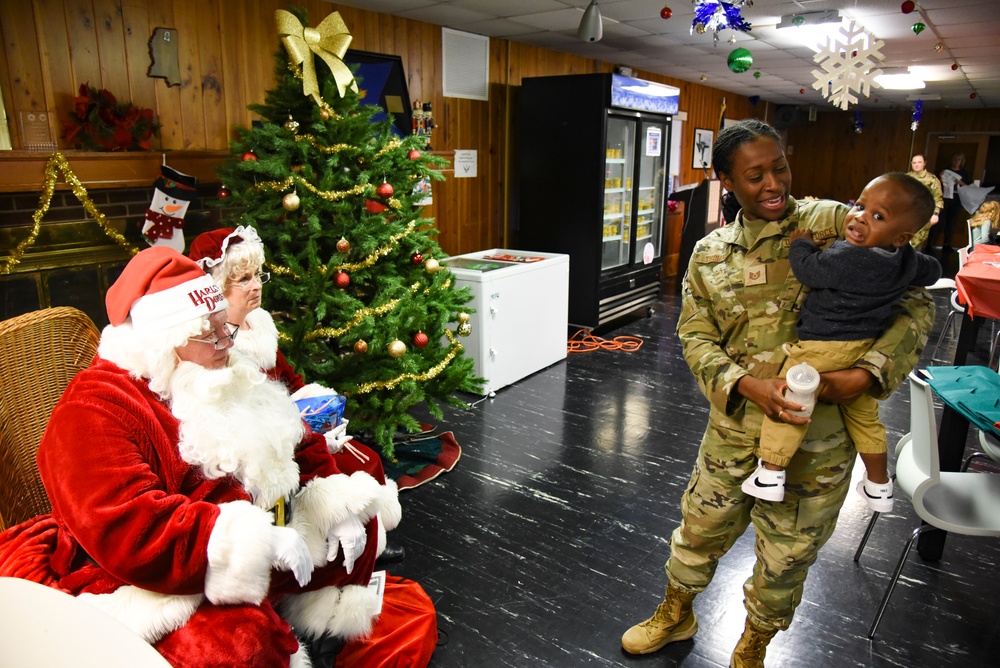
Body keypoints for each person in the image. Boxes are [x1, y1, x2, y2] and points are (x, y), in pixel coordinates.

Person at [621, 120, 934, 667]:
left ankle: (752, 647)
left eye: (780, 167)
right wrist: (746, 384)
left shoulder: (835, 226)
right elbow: (694, 336)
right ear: (724, 181)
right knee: (698, 531)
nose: (773, 184)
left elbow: (914, 302)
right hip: (735, 431)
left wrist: (867, 375)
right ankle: (676, 613)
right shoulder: (710, 254)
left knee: (786, 559)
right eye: (755, 175)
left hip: (820, 444)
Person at [0, 247, 388, 667]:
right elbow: (127, 524)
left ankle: (323, 631)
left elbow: (296, 435)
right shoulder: (94, 408)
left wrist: (327, 492)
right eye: (211, 334)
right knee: (238, 643)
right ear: (165, 342)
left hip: (269, 524)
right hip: (164, 571)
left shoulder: (224, 365)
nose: (227, 342)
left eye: (226, 328)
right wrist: (251, 543)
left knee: (357, 523)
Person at [187, 225, 403, 564]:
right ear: (217, 284)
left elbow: (289, 378)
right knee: (355, 462)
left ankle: (372, 538)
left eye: (258, 275)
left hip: (295, 424)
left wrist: (320, 407)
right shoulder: (217, 346)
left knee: (366, 456)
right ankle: (361, 551)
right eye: (243, 279)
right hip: (270, 445)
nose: (256, 285)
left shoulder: (258, 324)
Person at [742, 173, 941, 511]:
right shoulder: (905, 259)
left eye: (878, 217)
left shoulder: (851, 257)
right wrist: (909, 257)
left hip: (821, 347)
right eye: (860, 206)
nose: (860, 217)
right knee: (865, 416)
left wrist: (802, 242)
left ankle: (770, 473)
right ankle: (879, 484)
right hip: (862, 347)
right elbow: (932, 271)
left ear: (901, 236)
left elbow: (809, 270)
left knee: (792, 405)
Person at [929, 152, 972, 253]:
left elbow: (968, 187)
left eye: (959, 160)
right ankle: (930, 243)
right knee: (939, 221)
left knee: (952, 223)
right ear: (952, 160)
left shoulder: (964, 173)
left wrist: (959, 182)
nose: (957, 162)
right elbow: (937, 184)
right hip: (944, 199)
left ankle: (947, 244)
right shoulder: (945, 171)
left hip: (957, 199)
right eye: (955, 159)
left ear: (962, 161)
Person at [906, 154, 943, 250]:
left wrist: (936, 213)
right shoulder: (906, 178)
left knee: (916, 241)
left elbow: (937, 198)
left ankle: (912, 262)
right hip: (905, 214)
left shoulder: (932, 179)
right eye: (914, 162)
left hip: (923, 214)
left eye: (919, 162)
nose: (916, 165)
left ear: (924, 163)